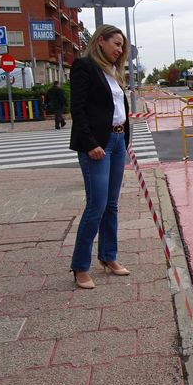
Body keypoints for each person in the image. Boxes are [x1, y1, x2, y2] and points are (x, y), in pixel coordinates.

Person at [68, 24, 132, 289]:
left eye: (122, 46)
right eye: (116, 44)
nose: (120, 50)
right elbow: (78, 108)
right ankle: (80, 267)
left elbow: (118, 109)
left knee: (112, 205)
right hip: (98, 145)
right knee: (96, 205)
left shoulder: (113, 73)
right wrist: (90, 143)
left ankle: (109, 257)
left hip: (117, 142)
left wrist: (124, 141)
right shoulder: (84, 67)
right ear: (101, 41)